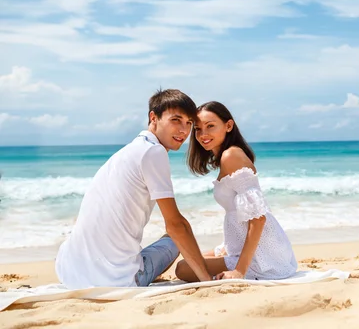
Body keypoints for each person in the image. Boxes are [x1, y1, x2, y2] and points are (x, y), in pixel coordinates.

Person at [55, 89, 213, 289]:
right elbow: (175, 225)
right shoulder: (154, 152)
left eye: (189, 123)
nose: (184, 130)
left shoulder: (127, 152)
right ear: (153, 117)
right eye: (176, 120)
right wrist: (207, 280)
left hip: (69, 270)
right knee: (175, 239)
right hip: (117, 279)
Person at [175, 101, 297, 281]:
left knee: (183, 269)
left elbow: (258, 218)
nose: (203, 134)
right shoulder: (227, 156)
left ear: (228, 125)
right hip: (242, 247)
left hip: (263, 257)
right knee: (192, 259)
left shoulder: (231, 156)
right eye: (198, 129)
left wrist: (239, 271)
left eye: (210, 126)